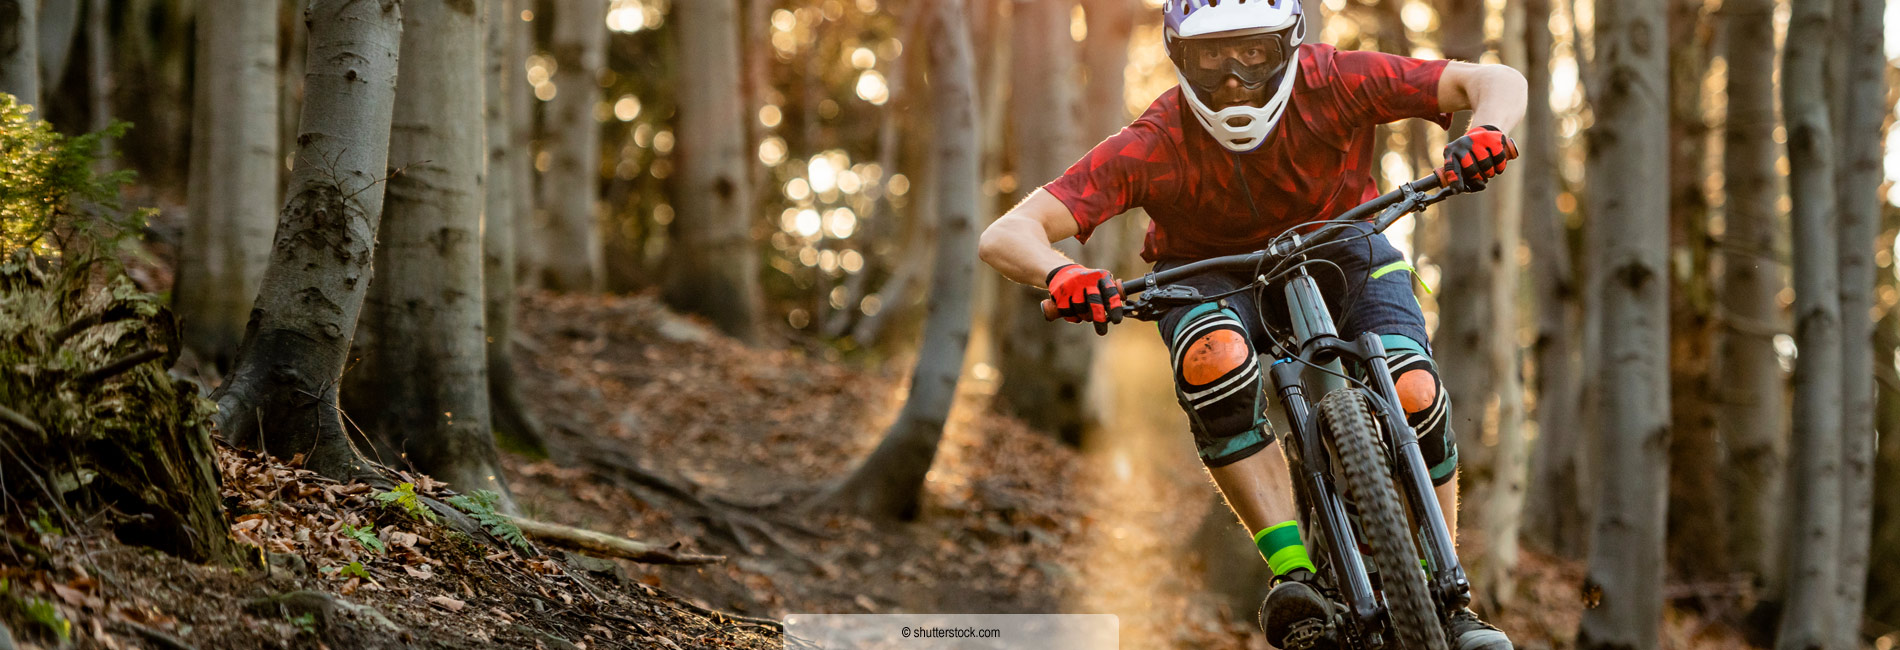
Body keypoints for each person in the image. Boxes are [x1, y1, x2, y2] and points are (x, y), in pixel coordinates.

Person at [976, 1, 1526, 648]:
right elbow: (1006, 233)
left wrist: (1485, 130)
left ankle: (1448, 592)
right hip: (1208, 273)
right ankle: (1293, 576)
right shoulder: (1157, 138)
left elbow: (1493, 80)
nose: (1234, 77)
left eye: (1253, 54)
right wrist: (1061, 273)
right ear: (1179, 58)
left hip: (1346, 245)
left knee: (1414, 392)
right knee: (1213, 361)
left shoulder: (1339, 78)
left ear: (1289, 45)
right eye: (1210, 59)